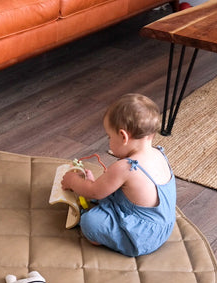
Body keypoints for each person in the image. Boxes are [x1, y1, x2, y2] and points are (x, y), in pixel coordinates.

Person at [61, 93, 176, 257]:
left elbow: (94, 192)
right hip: (163, 226)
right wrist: (94, 184)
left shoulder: (126, 167)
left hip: (142, 237)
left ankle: (111, 238)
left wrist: (73, 181)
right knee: (111, 188)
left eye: (109, 137)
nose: (108, 142)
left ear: (123, 136)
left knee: (90, 222)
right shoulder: (158, 154)